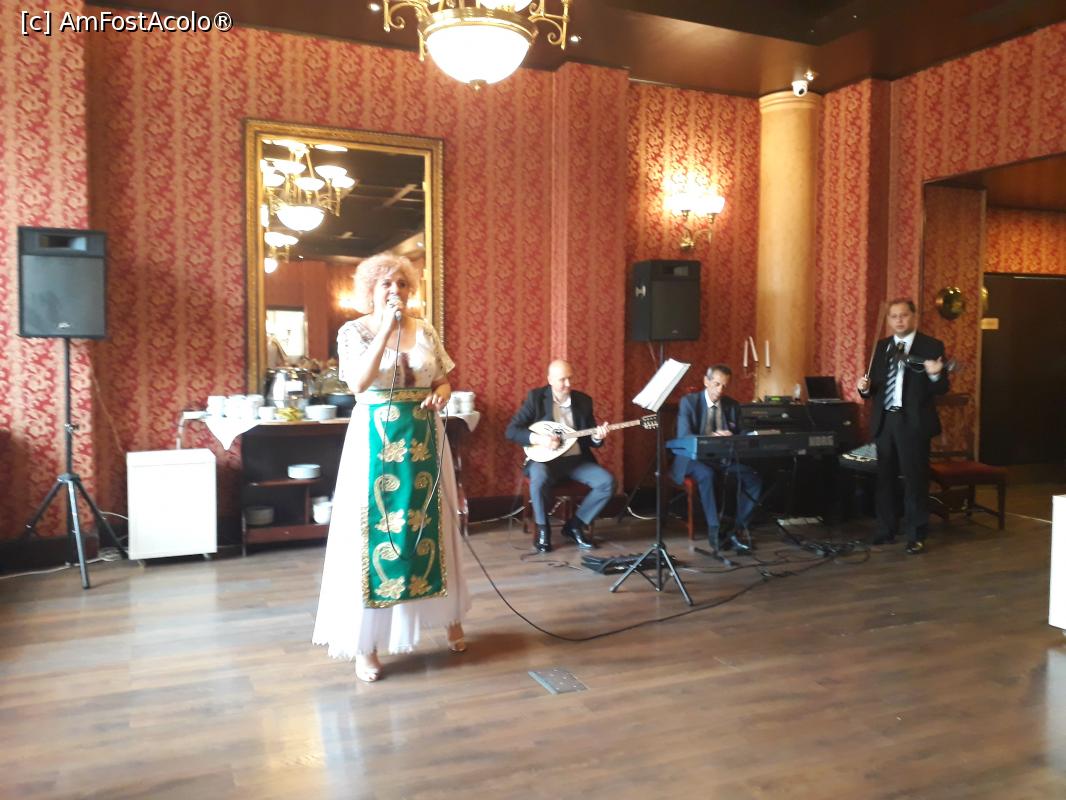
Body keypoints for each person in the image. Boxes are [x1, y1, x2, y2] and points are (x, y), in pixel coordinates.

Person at [312, 253, 470, 683]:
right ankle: (367, 644)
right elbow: (357, 384)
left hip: (424, 436)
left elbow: (442, 379)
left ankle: (450, 620)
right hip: (375, 441)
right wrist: (385, 330)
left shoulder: (426, 329)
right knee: (375, 531)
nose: (395, 290)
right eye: (385, 284)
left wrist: (441, 393)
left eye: (401, 283)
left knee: (432, 526)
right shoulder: (353, 332)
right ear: (370, 290)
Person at [857, 298, 948, 554]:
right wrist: (864, 389)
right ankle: (885, 530)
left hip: (913, 422)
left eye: (904, 315)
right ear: (888, 320)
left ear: (913, 316)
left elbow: (942, 387)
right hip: (885, 420)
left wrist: (934, 373)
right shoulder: (882, 346)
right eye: (894, 316)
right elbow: (874, 387)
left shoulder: (931, 346)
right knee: (884, 479)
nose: (899, 320)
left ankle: (916, 534)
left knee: (915, 479)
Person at [506, 360, 615, 553]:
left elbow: (589, 438)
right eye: (562, 379)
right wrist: (540, 439)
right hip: (545, 460)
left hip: (576, 460)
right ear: (550, 380)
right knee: (539, 477)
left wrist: (597, 437)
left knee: (607, 482)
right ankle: (543, 530)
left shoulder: (583, 401)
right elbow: (512, 431)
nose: (568, 384)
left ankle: (575, 525)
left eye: (570, 378)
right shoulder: (536, 398)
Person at [670, 364, 762, 554]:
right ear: (706, 381)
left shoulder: (732, 405)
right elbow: (684, 436)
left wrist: (747, 435)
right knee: (707, 474)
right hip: (691, 457)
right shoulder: (689, 402)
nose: (720, 390)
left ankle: (737, 528)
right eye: (716, 384)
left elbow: (741, 432)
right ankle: (715, 529)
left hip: (722, 459)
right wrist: (713, 436)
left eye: (724, 386)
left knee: (754, 480)